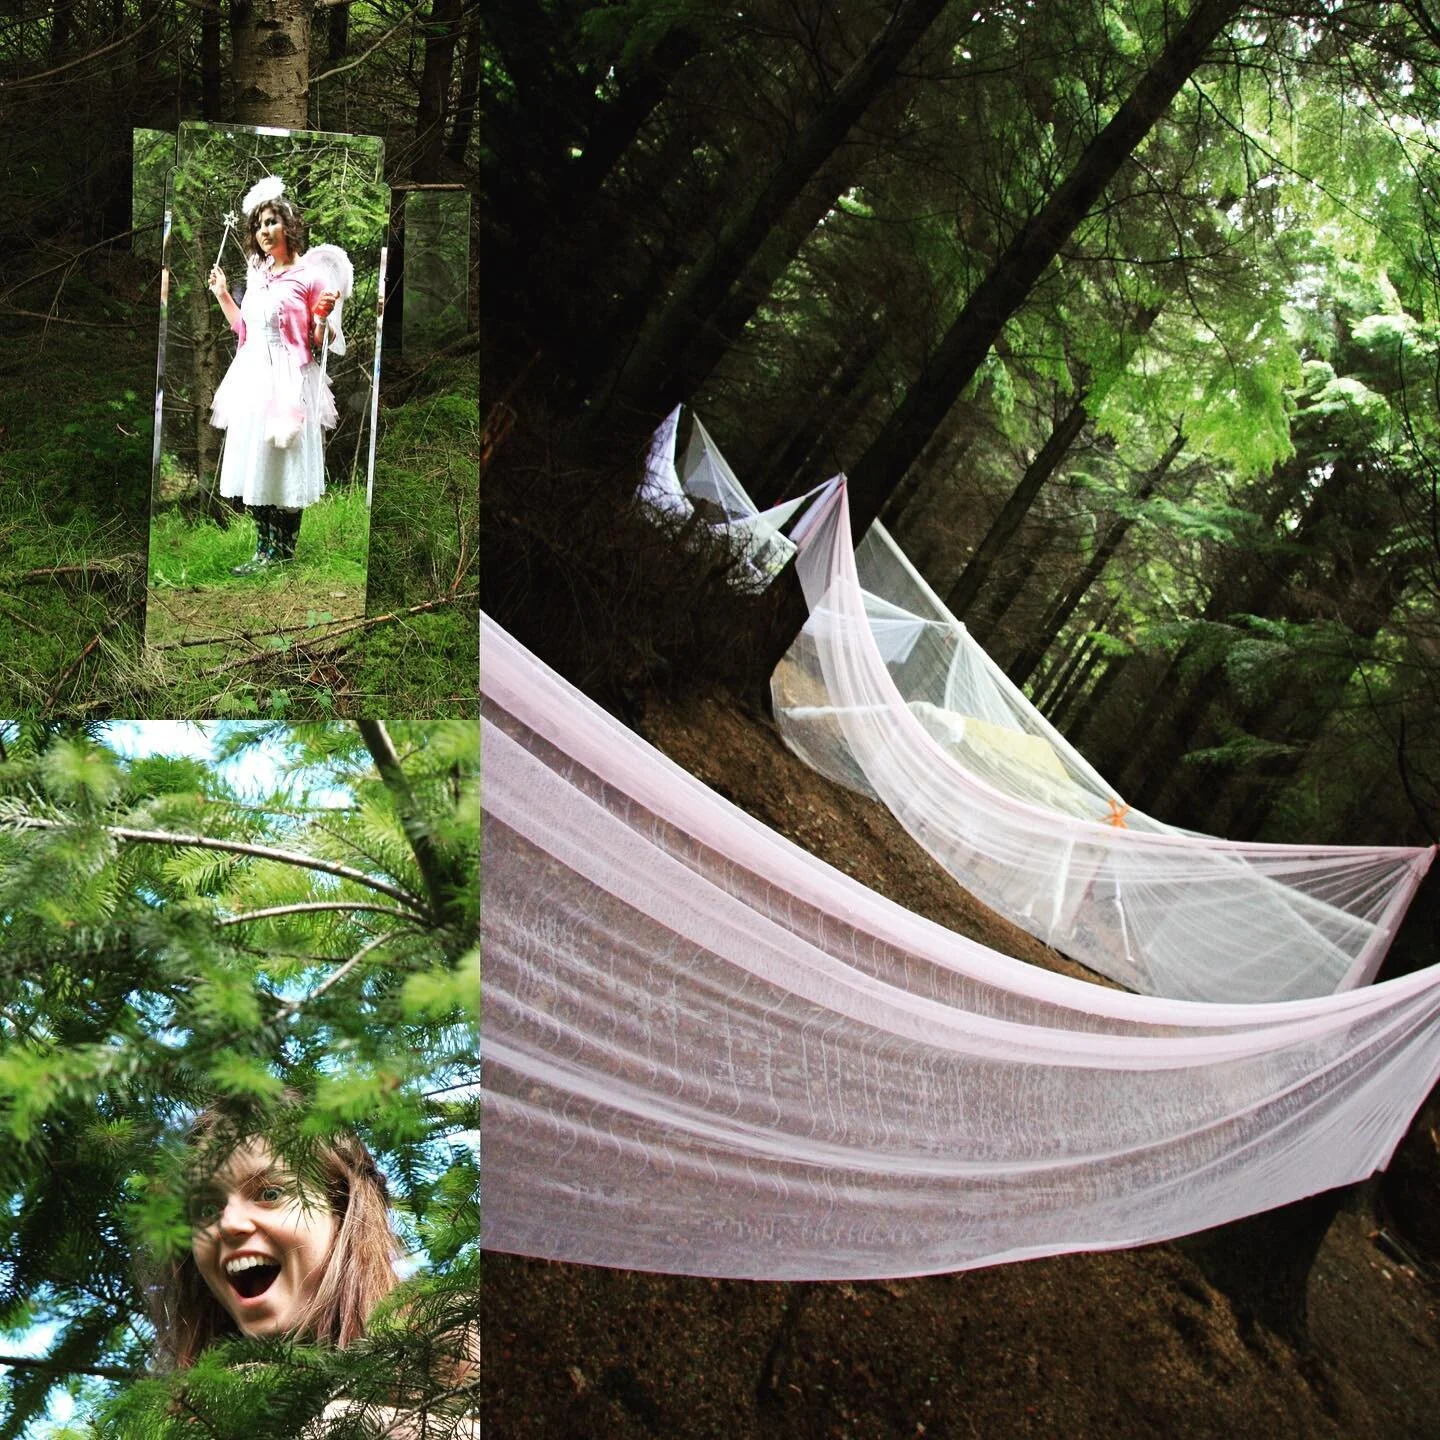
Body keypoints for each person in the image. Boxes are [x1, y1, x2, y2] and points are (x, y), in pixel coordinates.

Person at [149, 1107, 477, 1436]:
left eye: (270, 1194)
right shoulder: (192, 1417)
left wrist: (341, 1424)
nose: (228, 1224)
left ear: (340, 1210)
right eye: (206, 1209)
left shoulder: (458, 1333)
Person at [206, 175, 351, 577]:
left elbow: (320, 341)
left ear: (287, 224)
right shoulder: (258, 273)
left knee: (283, 460)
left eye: (271, 221)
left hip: (290, 379)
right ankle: (264, 550)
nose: (264, 231)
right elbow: (245, 330)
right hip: (253, 376)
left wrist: (321, 317)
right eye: (258, 225)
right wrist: (222, 294)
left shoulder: (311, 277)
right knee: (256, 461)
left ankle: (283, 554)